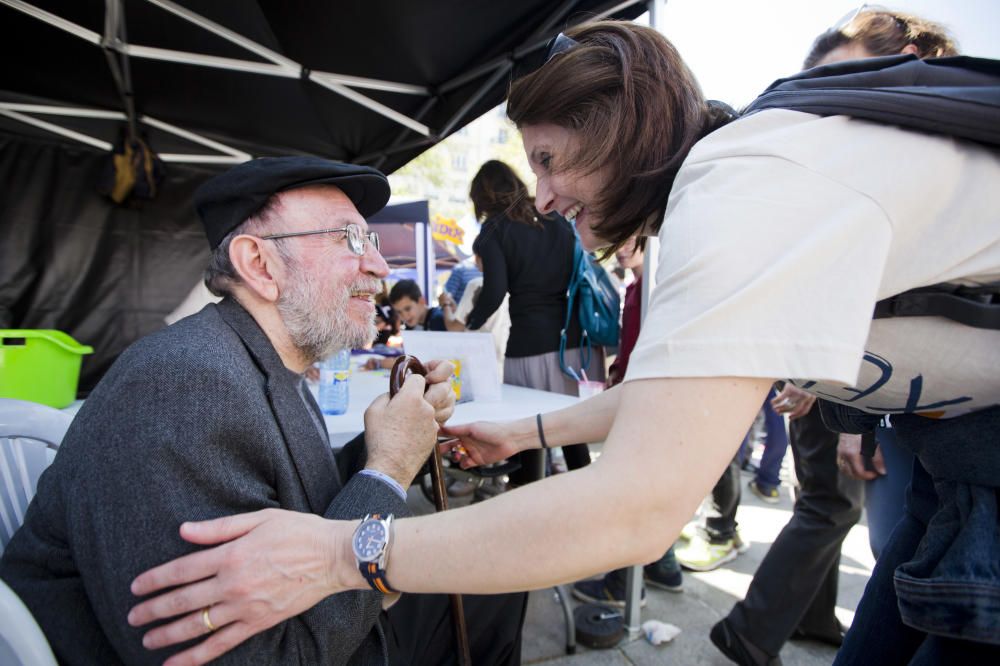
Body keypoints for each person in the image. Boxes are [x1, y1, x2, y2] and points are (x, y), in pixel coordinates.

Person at [123, 19, 999, 666]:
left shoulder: (744, 193)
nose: (539, 197)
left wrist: (341, 552)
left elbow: (635, 510)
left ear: (621, 126)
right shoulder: (741, 188)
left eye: (546, 159)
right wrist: (529, 433)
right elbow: (669, 399)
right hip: (956, 475)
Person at [0, 156, 527, 665]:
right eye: (350, 238)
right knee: (493, 579)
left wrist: (391, 443)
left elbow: (289, 492)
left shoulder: (262, 359)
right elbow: (258, 654)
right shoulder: (179, 388)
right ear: (259, 264)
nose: (380, 265)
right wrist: (386, 470)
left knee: (495, 577)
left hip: (319, 624)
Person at [711, 10, 964, 664]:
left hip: (888, 402)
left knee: (831, 508)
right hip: (870, 399)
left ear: (910, 57)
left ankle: (806, 619)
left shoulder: (932, 155)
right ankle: (754, 630)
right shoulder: (864, 166)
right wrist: (844, 405)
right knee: (833, 509)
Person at [462, 159, 602, 484]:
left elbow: (495, 292)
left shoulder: (495, 229)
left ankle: (527, 515)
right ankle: (589, 507)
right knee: (572, 434)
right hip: (572, 343)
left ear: (482, 197)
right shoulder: (556, 219)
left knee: (526, 438)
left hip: (529, 346)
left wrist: (470, 323)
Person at [572, 237, 685, 606]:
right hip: (635, 389)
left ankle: (623, 585)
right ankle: (663, 568)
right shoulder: (637, 286)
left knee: (634, 490)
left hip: (647, 397)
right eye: (617, 242)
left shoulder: (655, 285)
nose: (621, 249)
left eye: (630, 241)